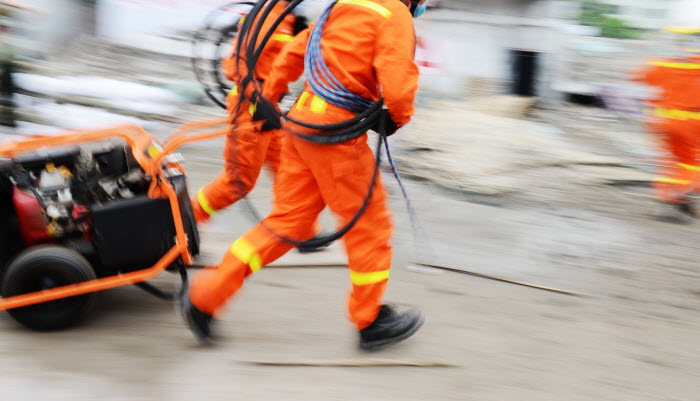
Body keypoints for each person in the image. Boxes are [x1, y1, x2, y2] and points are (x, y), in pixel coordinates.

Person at [180, 0, 429, 350]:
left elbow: (297, 50)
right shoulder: (395, 15)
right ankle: (370, 320)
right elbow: (399, 83)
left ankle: (205, 297)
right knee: (370, 226)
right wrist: (397, 118)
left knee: (288, 223)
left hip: (301, 121)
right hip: (335, 132)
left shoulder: (343, 5)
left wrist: (268, 98)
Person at [189, 0, 307, 224]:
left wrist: (300, 40)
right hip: (251, 106)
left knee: (288, 171)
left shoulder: (286, 19)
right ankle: (188, 218)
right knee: (238, 182)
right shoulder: (265, 16)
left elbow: (287, 71)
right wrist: (256, 100)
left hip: (268, 106)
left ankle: (296, 229)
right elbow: (236, 64)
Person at [631, 27, 700, 220]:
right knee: (691, 162)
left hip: (662, 120)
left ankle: (664, 199)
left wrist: (653, 59)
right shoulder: (697, 65)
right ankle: (680, 193)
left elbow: (638, 76)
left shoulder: (662, 64)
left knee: (667, 162)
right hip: (690, 122)